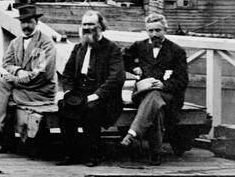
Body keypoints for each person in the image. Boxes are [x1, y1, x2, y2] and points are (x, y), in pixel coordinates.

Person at [0, 1, 57, 153]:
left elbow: (41, 74)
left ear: (37, 22)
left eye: (30, 22)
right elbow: (6, 63)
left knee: (3, 96)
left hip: (40, 91)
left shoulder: (46, 43)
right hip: (22, 87)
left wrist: (16, 79)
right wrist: (18, 71)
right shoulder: (15, 42)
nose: (26, 26)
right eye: (23, 22)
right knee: (0, 84)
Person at [57, 10, 124, 166]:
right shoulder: (79, 47)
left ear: (100, 26)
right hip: (79, 92)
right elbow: (67, 73)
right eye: (84, 24)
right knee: (63, 106)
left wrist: (97, 95)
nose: (87, 28)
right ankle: (71, 153)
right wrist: (68, 92)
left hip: (104, 96)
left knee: (91, 109)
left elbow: (116, 77)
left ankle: (92, 154)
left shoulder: (112, 48)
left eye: (91, 24)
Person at [120, 12, 190, 163]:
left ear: (165, 30)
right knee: (153, 100)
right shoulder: (140, 46)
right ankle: (153, 152)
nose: (154, 34)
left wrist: (164, 85)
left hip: (168, 96)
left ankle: (134, 135)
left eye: (158, 30)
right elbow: (122, 58)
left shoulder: (177, 51)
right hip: (142, 93)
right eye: (150, 31)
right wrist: (134, 69)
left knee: (156, 100)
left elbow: (182, 80)